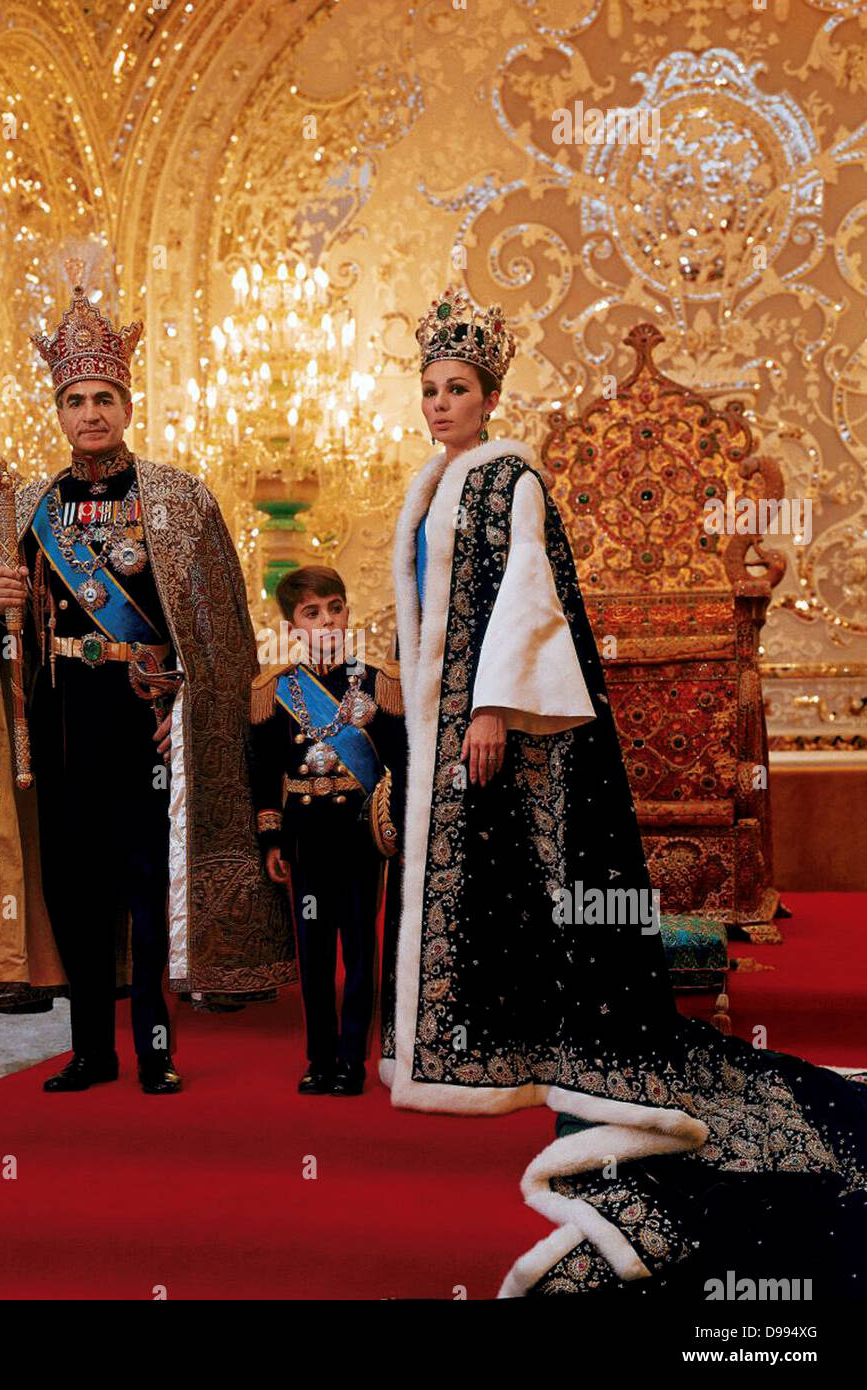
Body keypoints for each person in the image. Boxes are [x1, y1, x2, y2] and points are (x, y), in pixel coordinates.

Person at [383, 285, 867, 1295]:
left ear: (488, 394)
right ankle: (472, 1041)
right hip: (443, 728)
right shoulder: (430, 486)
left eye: (456, 387)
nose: (439, 402)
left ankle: (521, 1043)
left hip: (495, 728)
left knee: (519, 877)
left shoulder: (509, 474)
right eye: (429, 387)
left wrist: (489, 708)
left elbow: (526, 595)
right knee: (475, 890)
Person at [0, 276, 295, 1093]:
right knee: (74, 891)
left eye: (104, 398)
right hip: (56, 731)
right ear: (58, 411)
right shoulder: (27, 508)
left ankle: (155, 1051)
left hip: (145, 730)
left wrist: (188, 703)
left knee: (145, 892)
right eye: (75, 400)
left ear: (126, 405)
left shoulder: (177, 500)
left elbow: (221, 635)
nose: (90, 413)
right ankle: (90, 1050)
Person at [249, 567, 406, 1096]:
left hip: (360, 836)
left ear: (348, 611)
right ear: (291, 626)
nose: (327, 621)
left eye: (334, 608)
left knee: (361, 949)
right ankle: (318, 1059)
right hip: (306, 839)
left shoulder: (379, 681)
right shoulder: (275, 689)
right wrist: (272, 839)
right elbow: (265, 771)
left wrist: (397, 832)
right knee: (314, 953)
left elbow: (400, 766)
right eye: (311, 613)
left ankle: (351, 1060)